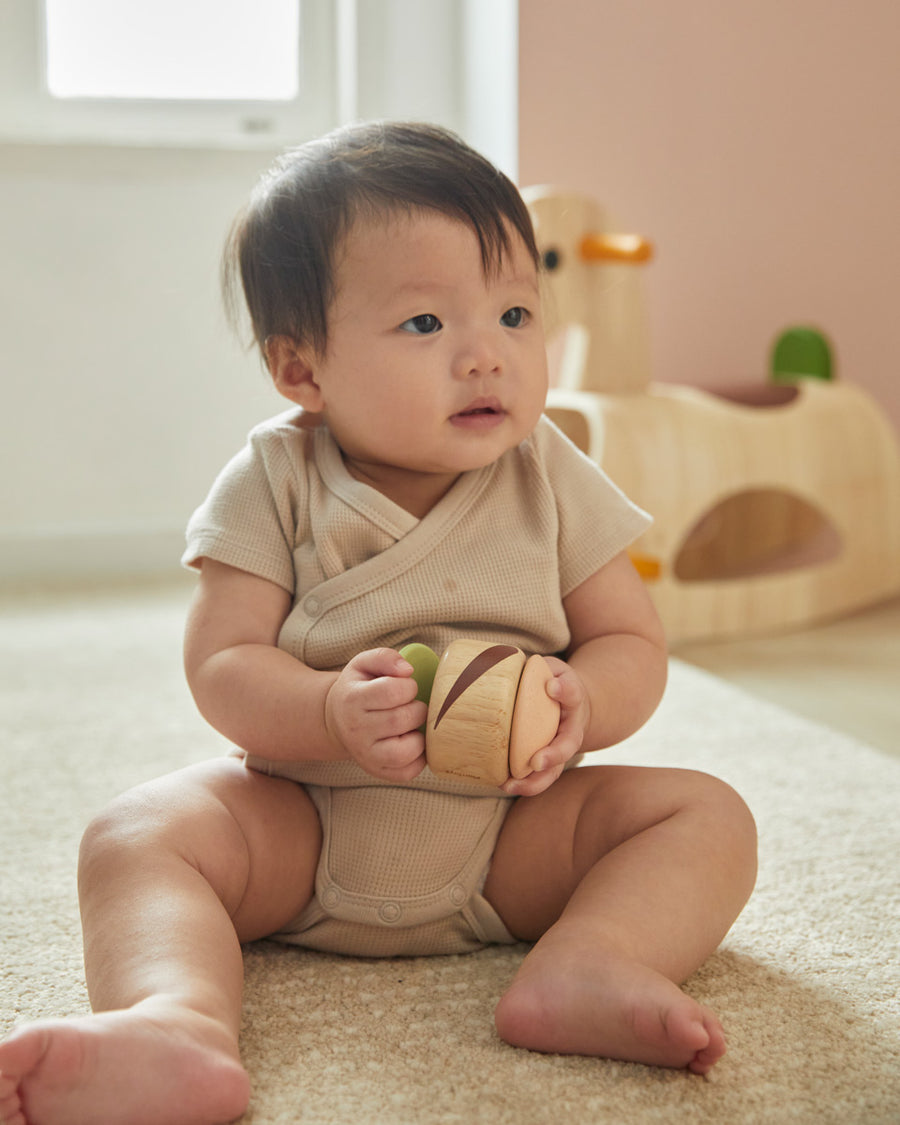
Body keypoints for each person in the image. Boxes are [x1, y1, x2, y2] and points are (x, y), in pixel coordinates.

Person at [0, 121, 757, 1125]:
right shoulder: (275, 481)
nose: (488, 356)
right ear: (301, 370)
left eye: (516, 312)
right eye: (426, 326)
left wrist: (587, 704)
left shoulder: (555, 476)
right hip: (303, 827)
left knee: (706, 816)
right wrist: (325, 712)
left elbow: (631, 642)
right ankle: (173, 1023)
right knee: (135, 836)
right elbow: (222, 662)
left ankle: (588, 963)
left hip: (507, 836)